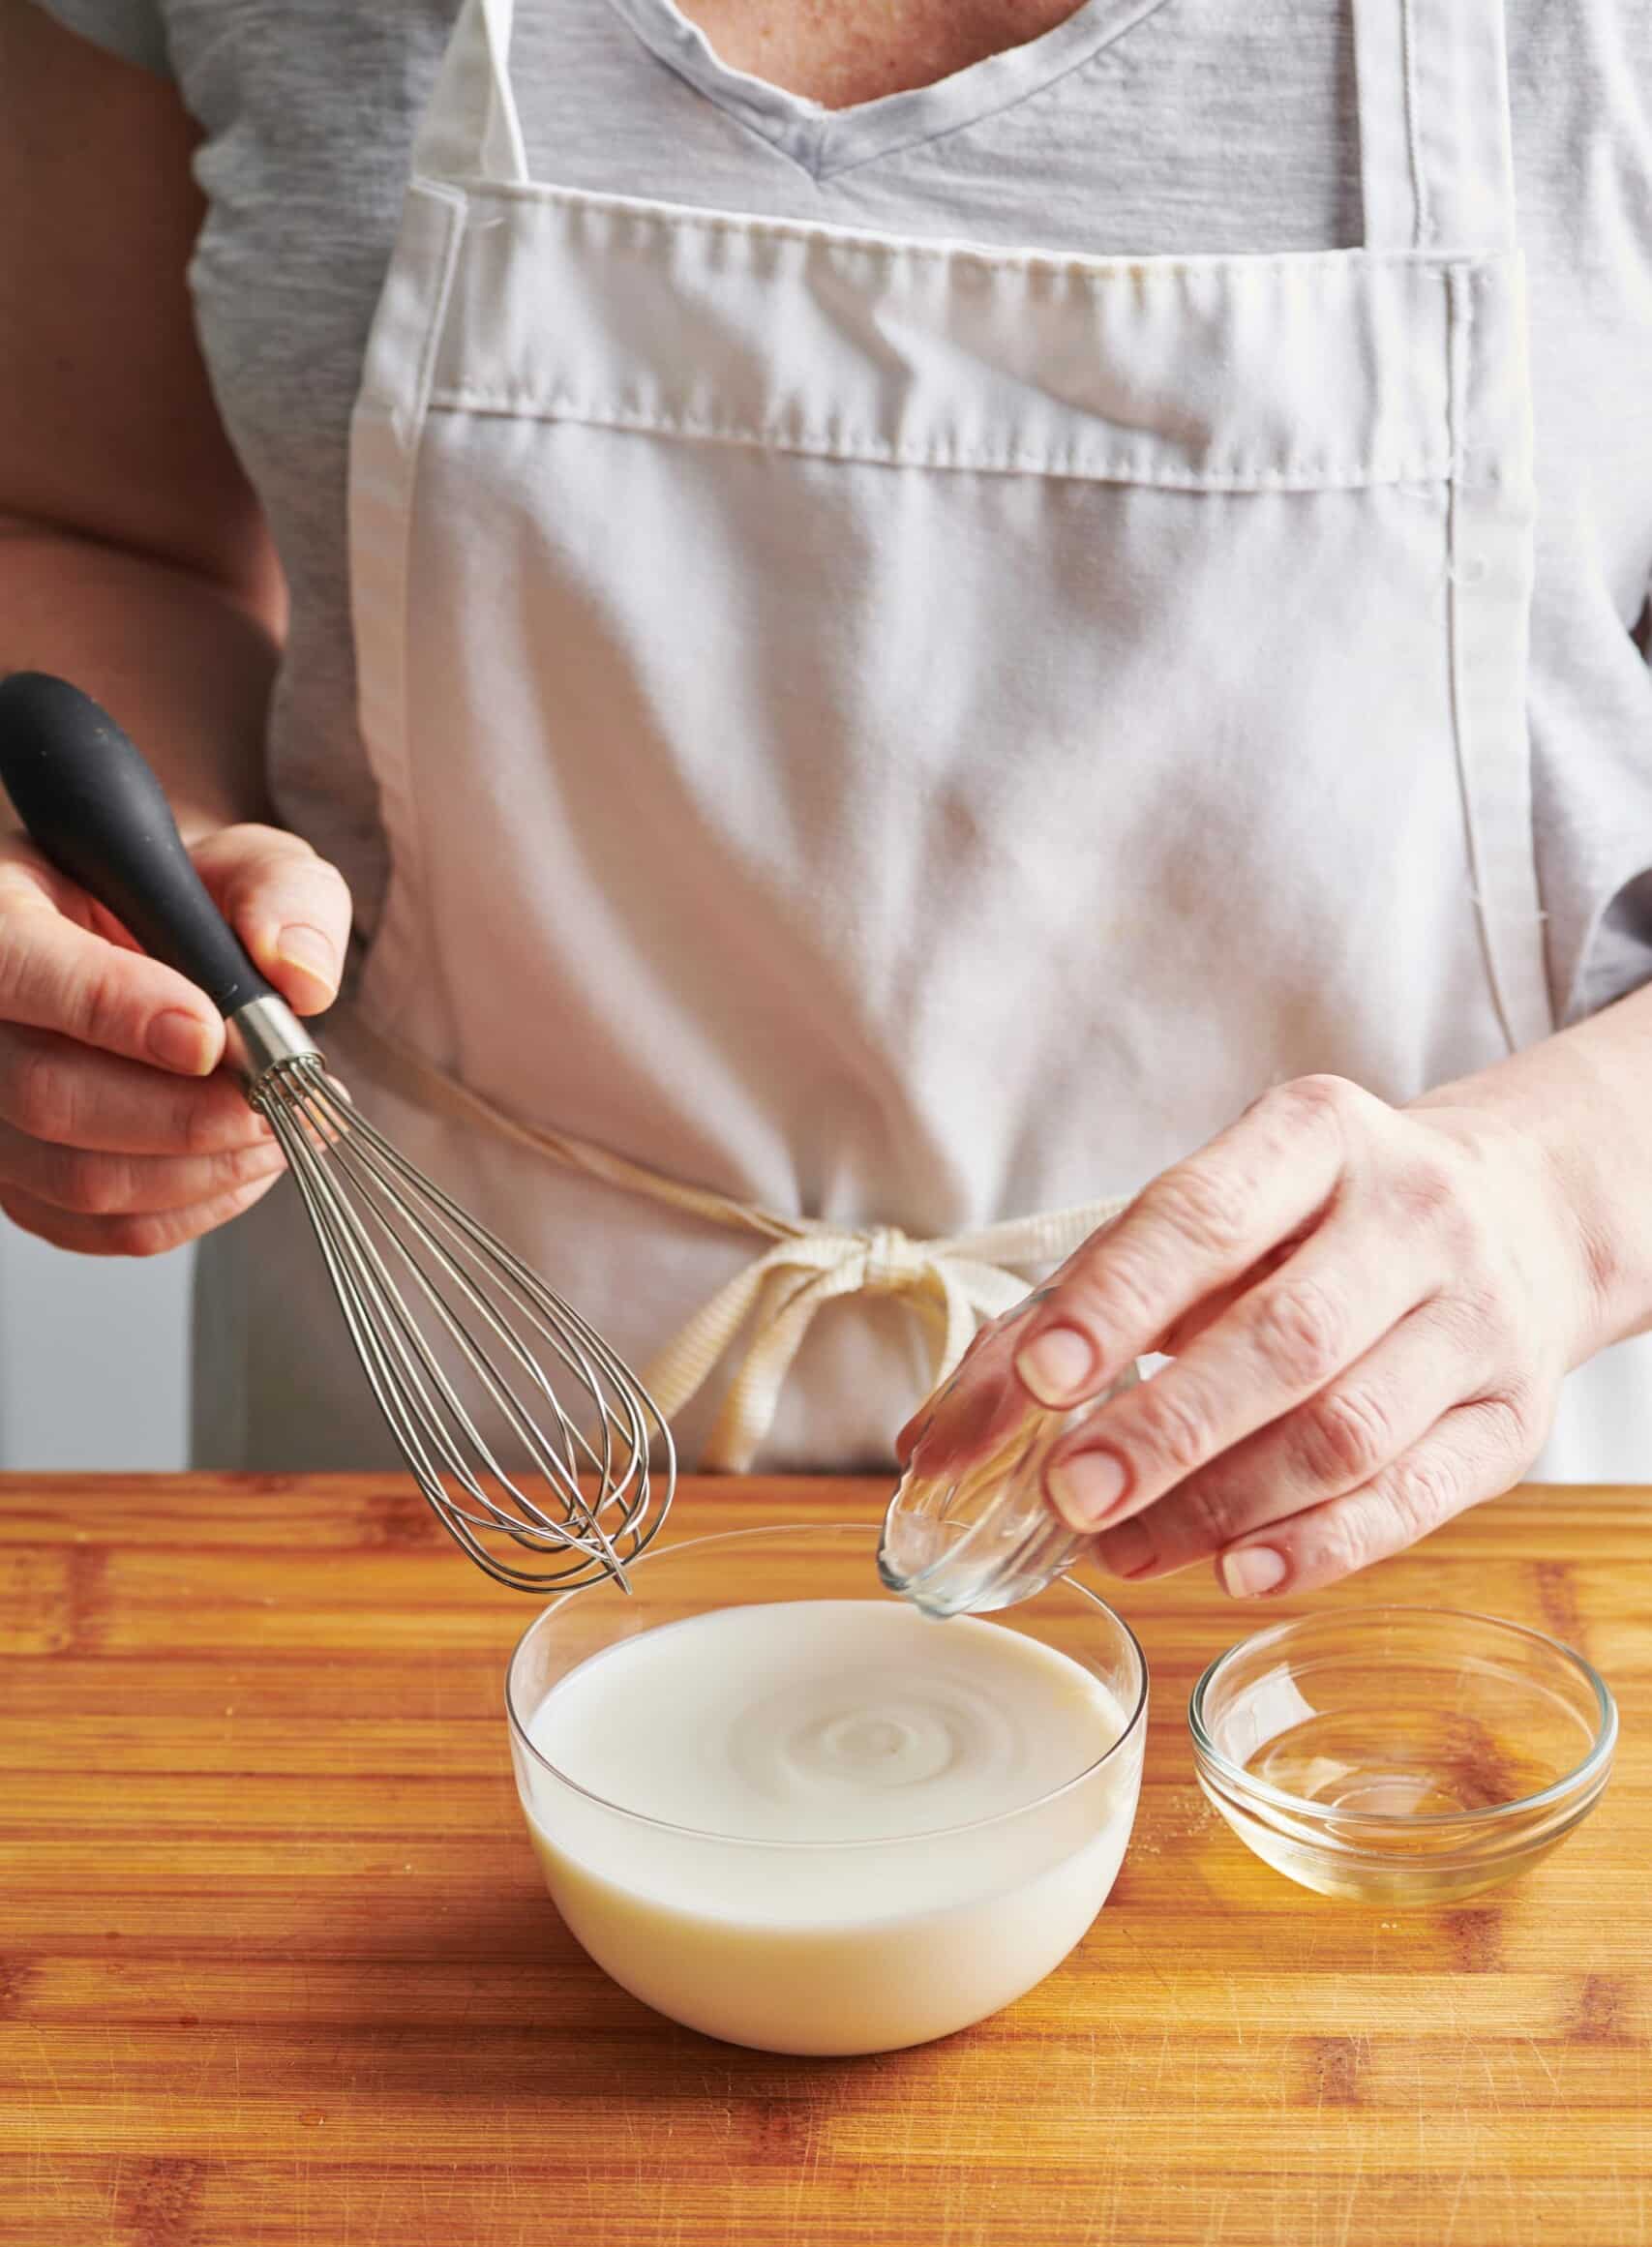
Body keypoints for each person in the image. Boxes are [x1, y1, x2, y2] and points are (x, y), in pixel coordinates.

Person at [3, 0, 1651, 1602]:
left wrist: (1562, 1202)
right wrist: (125, 918)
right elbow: (93, 527)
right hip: (455, 1480)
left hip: (1340, 1543)